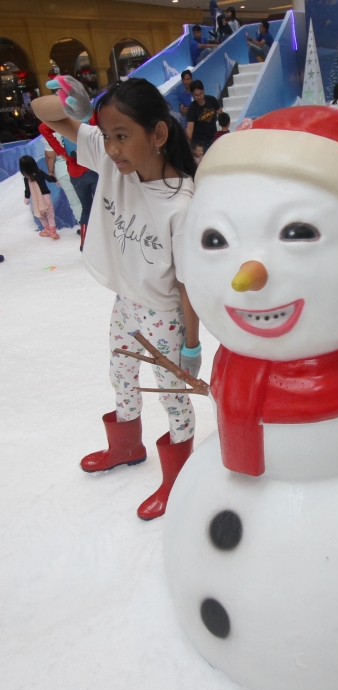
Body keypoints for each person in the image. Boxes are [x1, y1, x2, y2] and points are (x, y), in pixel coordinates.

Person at [31, 75, 202, 520]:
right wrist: (84, 109)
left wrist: (191, 345)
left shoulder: (181, 204)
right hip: (126, 302)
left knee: (172, 396)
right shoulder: (114, 164)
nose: (111, 148)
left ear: (158, 134)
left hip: (165, 316)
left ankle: (177, 478)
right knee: (121, 375)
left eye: (122, 136)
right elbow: (41, 110)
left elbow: (189, 285)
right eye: (105, 137)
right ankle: (126, 448)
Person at [39, 122, 98, 251]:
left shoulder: (60, 123)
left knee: (83, 206)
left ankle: (84, 242)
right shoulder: (84, 118)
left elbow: (43, 128)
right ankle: (105, 238)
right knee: (103, 204)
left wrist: (61, 153)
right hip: (92, 167)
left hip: (72, 170)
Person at [20, 155, 60, 239]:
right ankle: (53, 232)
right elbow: (49, 178)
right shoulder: (40, 173)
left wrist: (26, 198)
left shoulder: (26, 178)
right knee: (50, 214)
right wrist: (56, 180)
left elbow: (27, 190)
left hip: (36, 200)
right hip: (46, 197)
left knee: (41, 215)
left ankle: (47, 229)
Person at [186, 79, 222, 151]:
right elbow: (189, 130)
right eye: (196, 95)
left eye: (201, 93)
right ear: (192, 94)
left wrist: (224, 130)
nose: (199, 97)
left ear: (204, 91)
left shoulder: (212, 100)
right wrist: (191, 147)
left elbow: (222, 115)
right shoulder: (192, 109)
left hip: (214, 138)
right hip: (200, 143)